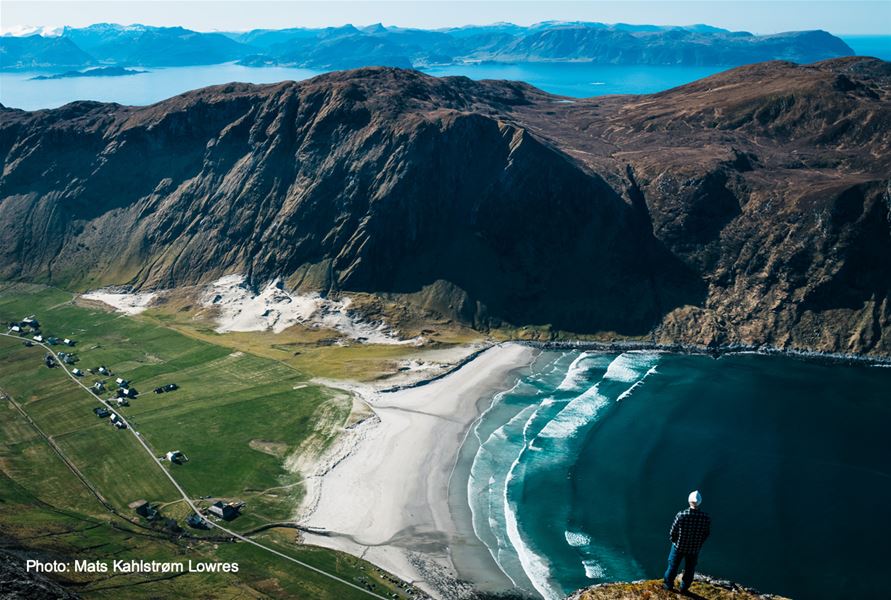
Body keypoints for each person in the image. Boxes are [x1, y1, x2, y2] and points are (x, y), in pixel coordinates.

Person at [663, 490, 711, 594]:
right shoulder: (705, 517)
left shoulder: (682, 515)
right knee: (690, 570)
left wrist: (675, 542)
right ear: (700, 502)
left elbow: (672, 532)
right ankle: (684, 589)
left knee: (672, 567)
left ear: (689, 501)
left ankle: (668, 586)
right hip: (694, 549)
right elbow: (706, 534)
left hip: (678, 547)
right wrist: (698, 544)